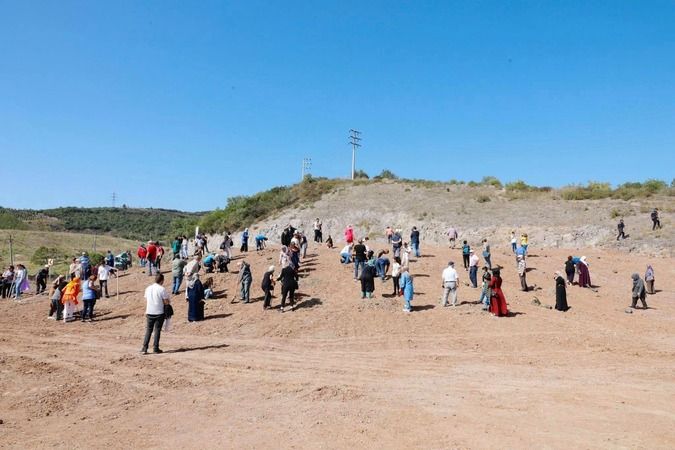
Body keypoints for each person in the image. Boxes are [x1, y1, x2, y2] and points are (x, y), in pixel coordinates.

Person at [141, 274, 169, 354]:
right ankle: (155, 348)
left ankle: (144, 348)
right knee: (157, 330)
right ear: (162, 280)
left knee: (148, 330)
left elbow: (146, 299)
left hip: (149, 311)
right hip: (159, 312)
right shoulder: (162, 289)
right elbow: (166, 301)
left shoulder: (148, 288)